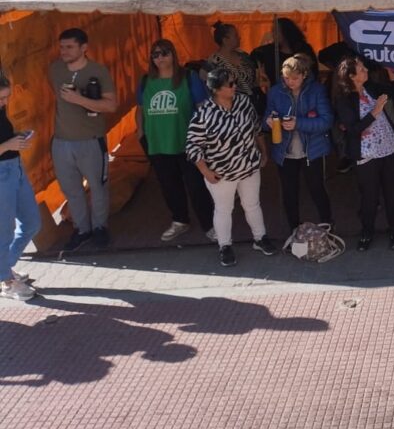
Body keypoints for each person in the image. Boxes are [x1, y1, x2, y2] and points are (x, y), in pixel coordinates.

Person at [186, 67, 276, 267]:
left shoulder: (244, 103)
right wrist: (206, 171)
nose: (235, 87)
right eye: (230, 84)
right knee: (224, 209)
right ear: (217, 89)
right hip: (221, 172)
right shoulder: (204, 113)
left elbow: (256, 129)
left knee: (252, 204)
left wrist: (263, 152)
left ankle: (260, 238)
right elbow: (192, 146)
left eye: (235, 82)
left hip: (249, 167)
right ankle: (224, 246)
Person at [136, 39, 213, 242]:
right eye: (155, 54)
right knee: (169, 185)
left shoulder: (188, 77)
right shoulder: (145, 80)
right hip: (158, 144)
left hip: (188, 143)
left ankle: (210, 224)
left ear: (173, 54)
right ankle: (180, 220)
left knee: (197, 186)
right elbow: (141, 108)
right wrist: (140, 132)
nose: (160, 57)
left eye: (164, 53)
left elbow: (203, 105)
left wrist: (204, 136)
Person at [50, 27, 117, 252]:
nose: (64, 51)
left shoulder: (98, 71)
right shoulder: (55, 69)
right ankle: (82, 229)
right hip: (61, 141)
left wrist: (80, 99)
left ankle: (100, 228)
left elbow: (111, 105)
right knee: (71, 190)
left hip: (91, 140)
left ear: (84, 48)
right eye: (62, 47)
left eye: (69, 47)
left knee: (98, 186)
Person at [332, 56, 394, 251]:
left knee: (393, 192)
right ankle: (367, 232)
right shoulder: (344, 99)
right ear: (351, 76)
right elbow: (353, 129)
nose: (366, 70)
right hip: (366, 153)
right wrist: (375, 111)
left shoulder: (370, 87)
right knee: (369, 196)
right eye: (361, 69)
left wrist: (392, 74)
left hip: (388, 148)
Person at [264, 55, 334, 234]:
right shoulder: (275, 91)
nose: (290, 82)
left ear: (304, 75)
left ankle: (328, 226)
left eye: (294, 78)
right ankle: (294, 230)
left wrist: (298, 123)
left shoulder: (316, 90)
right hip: (284, 150)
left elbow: (327, 121)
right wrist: (269, 122)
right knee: (289, 193)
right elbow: (265, 118)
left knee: (317, 189)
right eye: (286, 78)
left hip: (312, 149)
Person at [0, 73, 40, 301]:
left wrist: (17, 137)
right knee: (3, 231)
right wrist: (9, 144)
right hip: (1, 174)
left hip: (15, 168)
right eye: (0, 98)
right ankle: (6, 282)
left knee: (32, 223)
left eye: (6, 97)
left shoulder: (1, 111)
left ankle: (4, 267)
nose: (4, 102)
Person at [251, 17, 317, 89]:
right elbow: (254, 55)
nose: (273, 34)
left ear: (286, 32)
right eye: (272, 31)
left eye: (276, 31)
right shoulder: (269, 50)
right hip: (276, 91)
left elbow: (313, 71)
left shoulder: (304, 49)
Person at [207, 22, 259, 109]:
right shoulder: (213, 61)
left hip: (250, 106)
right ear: (225, 40)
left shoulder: (244, 56)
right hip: (229, 107)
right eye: (235, 35)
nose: (239, 37)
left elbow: (254, 80)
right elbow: (210, 87)